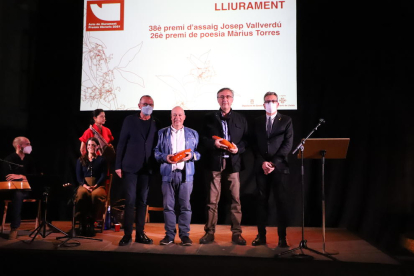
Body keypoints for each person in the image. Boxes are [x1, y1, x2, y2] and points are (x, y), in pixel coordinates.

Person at [199, 88, 248, 245]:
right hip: (214, 163)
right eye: (221, 97)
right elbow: (201, 139)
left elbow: (247, 141)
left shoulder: (241, 119)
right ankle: (209, 232)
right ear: (217, 100)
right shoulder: (208, 118)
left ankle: (236, 233)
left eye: (228, 96)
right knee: (212, 200)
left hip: (233, 164)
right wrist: (213, 143)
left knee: (235, 200)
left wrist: (238, 148)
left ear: (232, 99)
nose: (225, 99)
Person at [251, 92, 293, 247]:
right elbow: (254, 145)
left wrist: (273, 163)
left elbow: (287, 145)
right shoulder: (257, 121)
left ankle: (282, 237)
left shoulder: (286, 121)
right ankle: (261, 236)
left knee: (281, 202)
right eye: (267, 101)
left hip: (279, 168)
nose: (270, 103)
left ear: (278, 104)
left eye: (273, 101)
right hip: (261, 168)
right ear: (263, 105)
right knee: (261, 202)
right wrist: (263, 162)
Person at [115, 95, 158, 246]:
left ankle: (140, 233)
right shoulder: (130, 120)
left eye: (151, 104)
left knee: (142, 201)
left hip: (146, 169)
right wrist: (118, 165)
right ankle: (127, 235)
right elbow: (121, 143)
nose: (148, 106)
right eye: (145, 104)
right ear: (139, 105)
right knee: (130, 200)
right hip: (130, 168)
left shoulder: (154, 123)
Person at [154, 106, 200, 246]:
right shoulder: (162, 133)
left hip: (186, 176)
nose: (177, 118)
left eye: (180, 115)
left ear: (184, 117)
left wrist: (192, 155)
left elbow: (198, 153)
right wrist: (164, 157)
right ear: (171, 117)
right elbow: (156, 152)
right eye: (174, 115)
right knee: (168, 207)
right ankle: (169, 235)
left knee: (185, 206)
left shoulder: (192, 133)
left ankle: (185, 236)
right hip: (168, 174)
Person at [1, 137, 36, 240]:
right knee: (18, 194)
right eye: (27, 144)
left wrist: (22, 177)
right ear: (19, 146)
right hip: (12, 191)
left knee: (43, 192)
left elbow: (35, 177)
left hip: (29, 190)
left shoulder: (30, 160)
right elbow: (8, 178)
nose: (30, 146)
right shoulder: (9, 160)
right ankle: (14, 228)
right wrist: (26, 179)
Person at [75, 137, 107, 237]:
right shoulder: (81, 159)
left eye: (93, 145)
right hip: (85, 184)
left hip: (97, 185)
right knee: (81, 194)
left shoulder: (101, 160)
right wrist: (85, 185)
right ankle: (82, 222)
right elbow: (79, 176)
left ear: (97, 147)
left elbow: (103, 174)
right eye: (89, 145)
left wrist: (96, 185)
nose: (90, 147)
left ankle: (92, 222)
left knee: (96, 195)